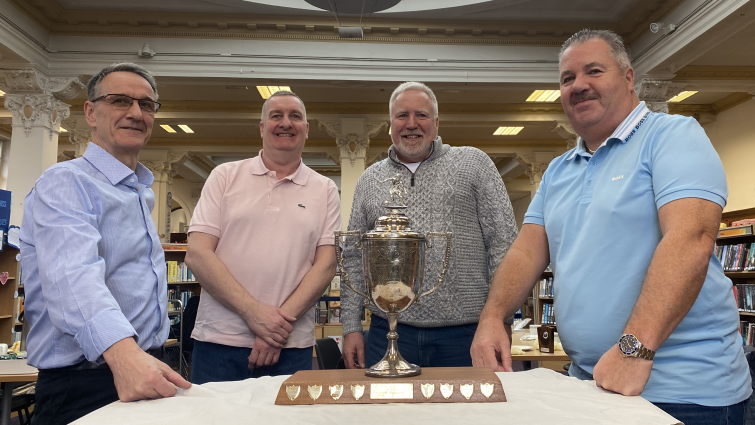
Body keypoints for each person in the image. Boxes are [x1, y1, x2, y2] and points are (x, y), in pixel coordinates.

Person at [471, 29, 751, 425]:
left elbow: (691, 240)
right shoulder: (557, 171)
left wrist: (635, 349)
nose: (579, 86)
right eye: (567, 79)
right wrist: (491, 318)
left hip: (685, 394)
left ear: (629, 78)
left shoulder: (672, 136)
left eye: (594, 71)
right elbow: (526, 251)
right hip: (591, 384)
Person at [19, 63, 191, 425]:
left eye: (146, 105)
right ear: (90, 112)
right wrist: (124, 355)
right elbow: (73, 277)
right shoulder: (67, 183)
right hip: (89, 382)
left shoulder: (140, 192)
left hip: (144, 366)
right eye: (119, 101)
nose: (135, 113)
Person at [341, 81, 518, 370]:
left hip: (466, 334)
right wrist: (350, 326)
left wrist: (501, 319)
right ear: (390, 124)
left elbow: (504, 245)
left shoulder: (474, 165)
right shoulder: (368, 180)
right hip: (385, 333)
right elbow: (353, 258)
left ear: (436, 123)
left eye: (421, 115)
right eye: (402, 116)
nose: (411, 124)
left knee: (465, 416)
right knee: (385, 416)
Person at [185, 90, 340, 384]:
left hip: (290, 345)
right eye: (276, 115)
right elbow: (198, 254)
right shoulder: (224, 176)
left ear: (306, 130)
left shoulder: (325, 189)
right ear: (261, 127)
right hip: (219, 341)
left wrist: (275, 330)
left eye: (295, 116)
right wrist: (255, 314)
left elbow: (326, 266)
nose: (286, 123)